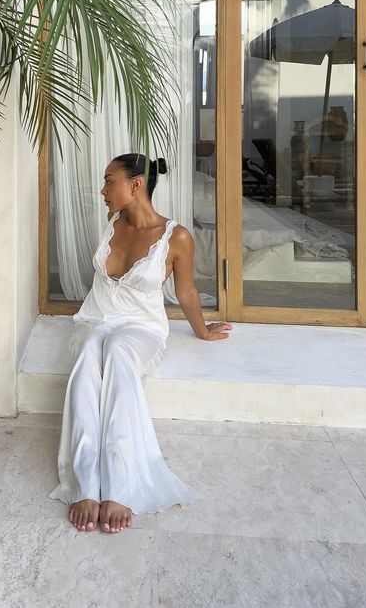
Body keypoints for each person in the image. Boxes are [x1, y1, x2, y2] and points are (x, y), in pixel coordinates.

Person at [49, 152, 232, 534]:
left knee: (116, 352)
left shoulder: (176, 237)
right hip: (95, 317)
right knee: (87, 350)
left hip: (140, 328)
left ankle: (118, 484)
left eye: (108, 181)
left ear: (135, 185)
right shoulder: (112, 221)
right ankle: (84, 483)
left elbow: (186, 291)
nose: (102, 190)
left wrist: (201, 329)